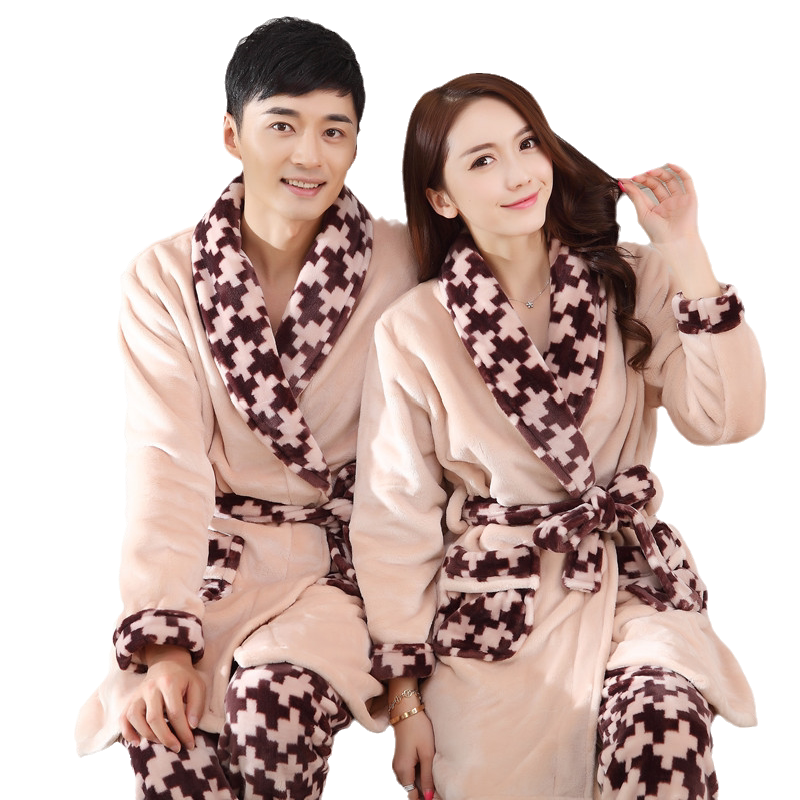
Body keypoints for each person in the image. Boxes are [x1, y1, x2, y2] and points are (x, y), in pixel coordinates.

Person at [349, 73, 764, 800]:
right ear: (442, 198)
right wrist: (406, 699)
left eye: (527, 144)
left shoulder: (629, 279)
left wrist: (685, 251)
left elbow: (727, 419)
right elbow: (395, 518)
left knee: (663, 727)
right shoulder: (414, 328)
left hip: (625, 590)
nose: (518, 174)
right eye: (482, 160)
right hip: (497, 617)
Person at [74, 17, 415, 800]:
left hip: (339, 569)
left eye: (334, 130)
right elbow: (165, 462)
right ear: (232, 134)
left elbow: (523, 262)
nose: (309, 155)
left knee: (271, 707)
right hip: (214, 569)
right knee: (165, 738)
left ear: (356, 146)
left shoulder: (405, 264)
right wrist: (164, 647)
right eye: (282, 125)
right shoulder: (165, 278)